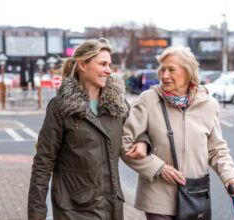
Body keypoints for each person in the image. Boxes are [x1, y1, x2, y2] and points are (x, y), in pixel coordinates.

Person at [28, 38, 147, 220]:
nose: (108, 70)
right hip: (73, 211)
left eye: (109, 64)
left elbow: (138, 130)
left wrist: (142, 141)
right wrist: (37, 214)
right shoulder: (61, 107)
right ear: (83, 65)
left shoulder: (118, 104)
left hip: (111, 208)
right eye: (102, 64)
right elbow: (43, 163)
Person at [121, 46, 234, 219]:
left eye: (171, 70)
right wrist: (158, 168)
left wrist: (230, 176)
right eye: (162, 70)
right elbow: (125, 143)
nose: (164, 75)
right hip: (158, 197)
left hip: (195, 195)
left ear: (189, 73)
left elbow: (217, 149)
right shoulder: (148, 100)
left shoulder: (208, 105)